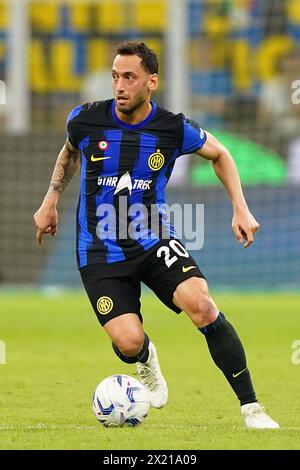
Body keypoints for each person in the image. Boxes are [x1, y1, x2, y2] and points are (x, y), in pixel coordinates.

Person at [34, 41, 279, 429]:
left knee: (202, 304)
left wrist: (241, 207)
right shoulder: (85, 119)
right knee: (128, 342)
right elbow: (69, 153)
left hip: (153, 240)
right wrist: (50, 200)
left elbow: (222, 155)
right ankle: (146, 359)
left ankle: (252, 408)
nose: (119, 86)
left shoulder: (171, 128)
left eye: (129, 77)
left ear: (152, 82)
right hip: (99, 250)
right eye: (115, 76)